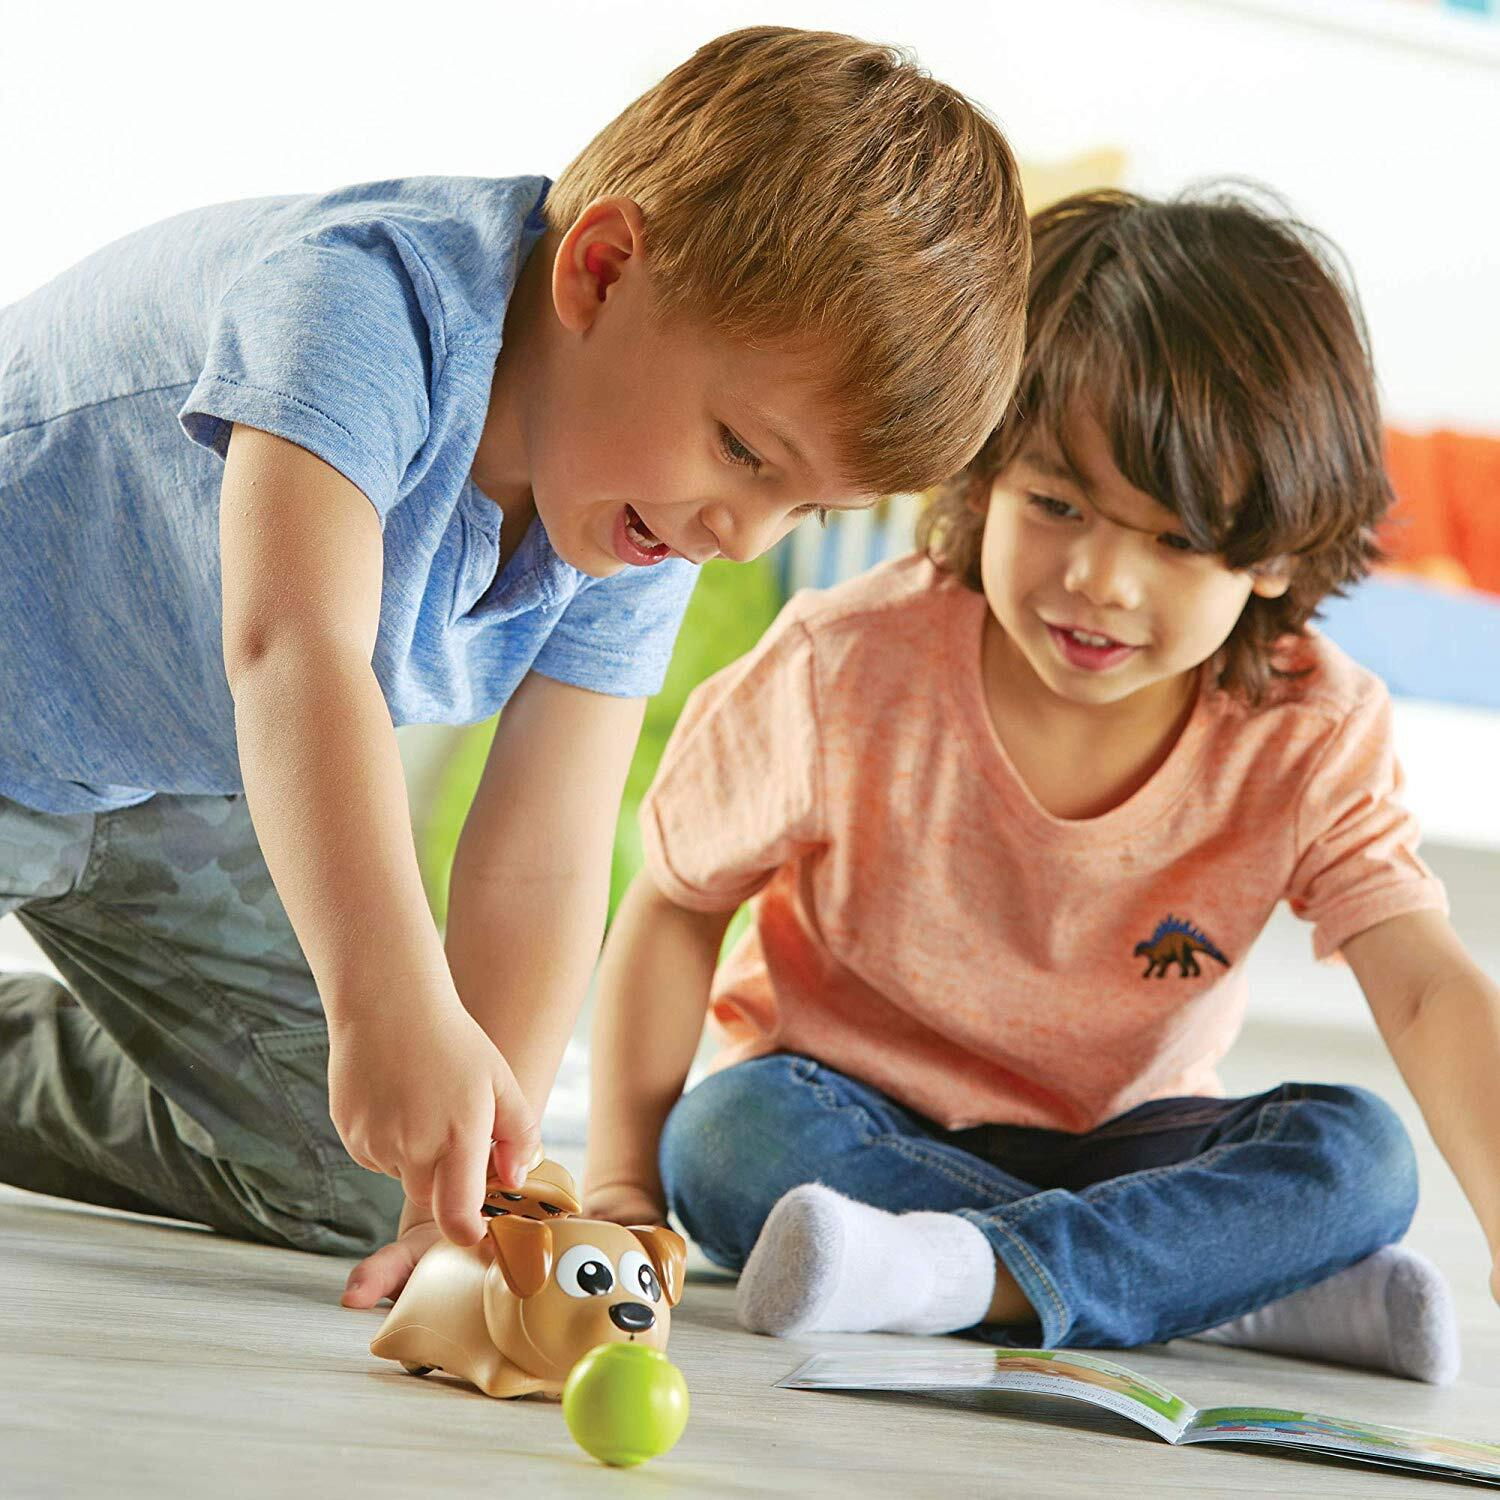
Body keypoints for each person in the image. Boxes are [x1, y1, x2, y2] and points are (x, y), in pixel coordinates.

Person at [0, 26, 1030, 1296]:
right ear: (602, 270)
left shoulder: (639, 516)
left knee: (381, 1162)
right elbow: (294, 650)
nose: (743, 535)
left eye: (804, 510)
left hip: (158, 781)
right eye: (744, 452)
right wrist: (386, 1003)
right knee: (388, 1027)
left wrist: (478, 1194)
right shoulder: (360, 303)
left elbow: (541, 848)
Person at [585, 188, 1500, 1385]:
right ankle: (1208, 1286)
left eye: (1175, 539)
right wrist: (619, 1185)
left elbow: (1425, 988)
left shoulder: (1310, 732)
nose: (1100, 580)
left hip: (1128, 1145)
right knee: (723, 1139)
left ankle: (970, 1276)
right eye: (1056, 506)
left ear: (1275, 551)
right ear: (979, 479)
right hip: (849, 1118)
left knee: (1362, 1156)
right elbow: (677, 901)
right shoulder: (842, 666)